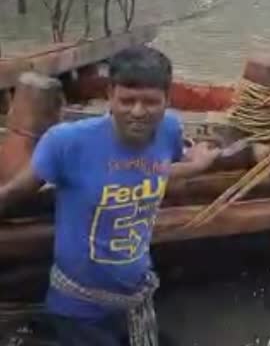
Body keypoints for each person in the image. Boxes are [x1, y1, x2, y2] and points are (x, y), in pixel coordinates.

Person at [0, 46, 221, 346]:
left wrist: (195, 165)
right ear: (109, 95)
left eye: (151, 102)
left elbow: (149, 170)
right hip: (78, 310)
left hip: (135, 300)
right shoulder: (68, 143)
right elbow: (14, 193)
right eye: (127, 101)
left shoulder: (169, 131)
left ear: (168, 100)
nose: (139, 112)